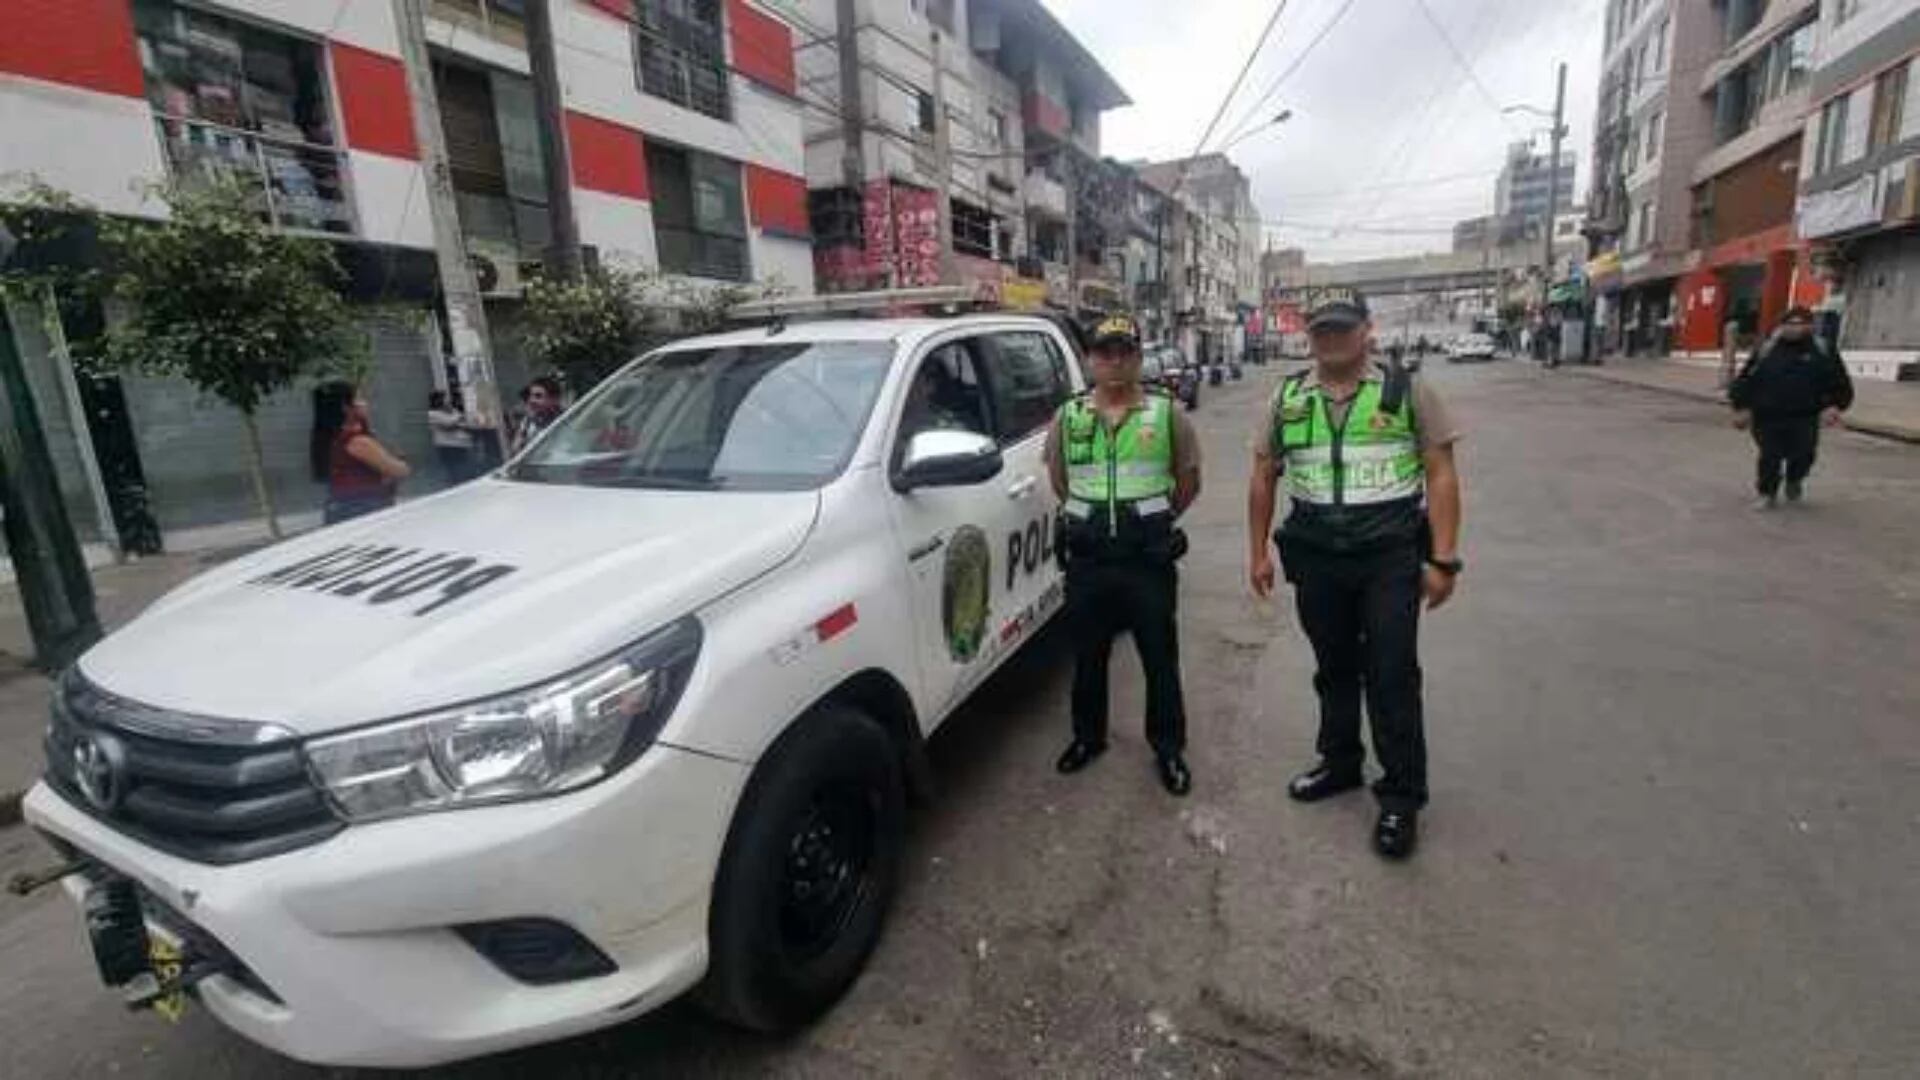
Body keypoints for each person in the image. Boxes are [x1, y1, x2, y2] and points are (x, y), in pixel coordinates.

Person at [1247, 288, 1464, 859]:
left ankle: (1400, 798)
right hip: (1318, 556)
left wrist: (1443, 559)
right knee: (1334, 667)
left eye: (1344, 327)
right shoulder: (1288, 396)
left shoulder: (1405, 389)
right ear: (1309, 336)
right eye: (1322, 329)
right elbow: (1264, 475)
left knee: (1391, 674)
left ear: (1367, 330)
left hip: (1388, 557)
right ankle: (1340, 762)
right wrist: (1257, 553)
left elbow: (1440, 474)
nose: (1332, 338)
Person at [1046, 314, 1203, 796]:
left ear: (1137, 357)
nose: (1114, 361)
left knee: (1160, 658)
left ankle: (1168, 748)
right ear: (1090, 360)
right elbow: (1059, 480)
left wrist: (1148, 522)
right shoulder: (1068, 416)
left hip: (1147, 561)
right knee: (1088, 657)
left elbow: (1189, 479)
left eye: (1124, 352)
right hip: (1090, 561)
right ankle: (1087, 738)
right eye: (1104, 352)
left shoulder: (1166, 413)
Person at [1729, 306, 1853, 510]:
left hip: (1805, 416)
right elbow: (1747, 380)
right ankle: (1767, 493)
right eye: (1789, 324)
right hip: (1768, 415)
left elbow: (1839, 381)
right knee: (1770, 455)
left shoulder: (1822, 350)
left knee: (1803, 454)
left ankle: (1795, 479)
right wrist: (1741, 407)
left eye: (1800, 324)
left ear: (1809, 326)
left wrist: (1835, 405)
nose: (1794, 329)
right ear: (1781, 326)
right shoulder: (1767, 349)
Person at [311, 381, 410, 525]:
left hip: (343, 509)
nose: (365, 403)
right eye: (359, 399)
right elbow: (399, 471)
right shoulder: (357, 442)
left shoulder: (330, 438)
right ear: (345, 407)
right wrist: (400, 461)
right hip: (364, 511)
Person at [426, 390, 478, 484]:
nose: (448, 401)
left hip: (461, 445)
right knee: (455, 470)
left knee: (464, 469)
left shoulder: (450, 412)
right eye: (445, 399)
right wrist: (458, 416)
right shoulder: (432, 414)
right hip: (448, 446)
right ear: (438, 400)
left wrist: (456, 415)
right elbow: (449, 422)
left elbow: (462, 423)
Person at [514, 376, 564, 451]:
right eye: (530, 396)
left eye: (538, 396)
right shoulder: (528, 422)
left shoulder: (565, 421)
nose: (532, 400)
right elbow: (516, 450)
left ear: (553, 399)